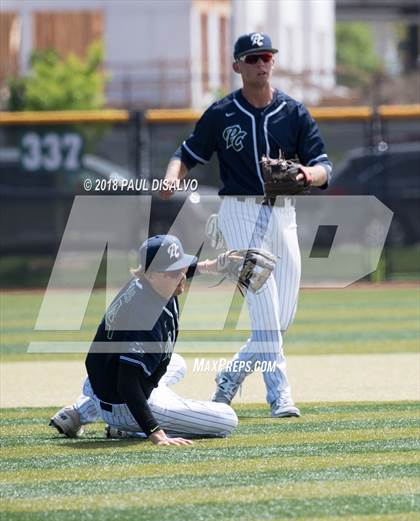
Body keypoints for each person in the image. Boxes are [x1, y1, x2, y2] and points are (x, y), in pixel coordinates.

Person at [161, 33, 332, 418]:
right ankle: (280, 395)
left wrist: (307, 173)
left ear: (272, 62)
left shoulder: (294, 112)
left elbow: (325, 167)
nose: (261, 63)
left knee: (281, 317)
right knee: (265, 310)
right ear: (238, 65)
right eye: (252, 58)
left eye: (266, 57)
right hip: (239, 213)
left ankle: (230, 375)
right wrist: (173, 176)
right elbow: (186, 153)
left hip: (284, 213)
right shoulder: (221, 114)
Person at [49, 234, 238, 446]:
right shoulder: (146, 316)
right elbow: (127, 384)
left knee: (177, 363)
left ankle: (77, 412)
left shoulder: (144, 282)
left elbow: (179, 269)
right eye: (174, 272)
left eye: (183, 267)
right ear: (151, 274)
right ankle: (128, 429)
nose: (182, 275)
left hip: (99, 383)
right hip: (124, 404)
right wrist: (155, 432)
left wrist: (212, 266)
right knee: (227, 419)